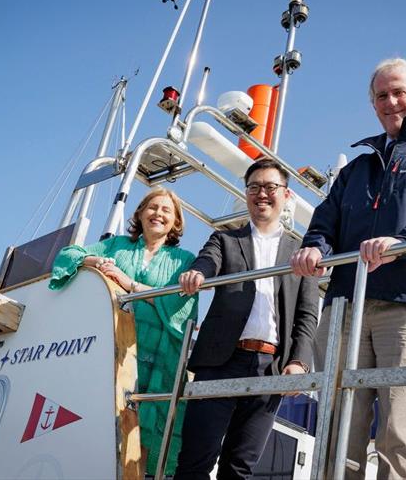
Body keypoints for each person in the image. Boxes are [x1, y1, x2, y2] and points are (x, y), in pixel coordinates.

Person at [290, 57, 406, 479]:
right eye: (382, 95)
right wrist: (314, 246)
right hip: (346, 307)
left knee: (403, 435)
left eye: (399, 92)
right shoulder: (356, 169)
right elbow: (325, 222)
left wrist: (405, 242)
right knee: (338, 433)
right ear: (373, 104)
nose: (391, 101)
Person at [173, 158, 320, 480]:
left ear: (286, 195)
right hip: (220, 363)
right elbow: (207, 261)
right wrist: (198, 273)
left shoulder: (302, 252)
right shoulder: (225, 239)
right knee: (196, 459)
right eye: (254, 187)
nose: (261, 194)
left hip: (271, 367)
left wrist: (299, 362)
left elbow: (308, 314)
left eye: (270, 187)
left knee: (240, 467)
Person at [49, 187, 198, 477]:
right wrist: (95, 262)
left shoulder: (185, 260)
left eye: (166, 210)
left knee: (142, 436)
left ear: (176, 222)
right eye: (152, 207)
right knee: (97, 428)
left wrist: (130, 285)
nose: (158, 214)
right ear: (140, 213)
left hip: (158, 361)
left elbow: (180, 306)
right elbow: (68, 254)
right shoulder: (116, 245)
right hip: (112, 352)